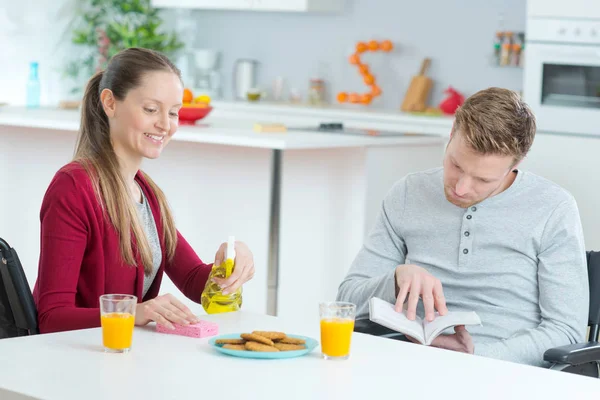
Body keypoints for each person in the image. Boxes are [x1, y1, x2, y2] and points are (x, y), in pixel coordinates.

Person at [337, 87, 589, 367]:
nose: (460, 188)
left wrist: (475, 359)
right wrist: (394, 281)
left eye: (482, 180)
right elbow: (346, 302)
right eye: (455, 165)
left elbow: (566, 331)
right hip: (411, 365)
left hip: (505, 375)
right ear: (451, 133)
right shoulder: (408, 193)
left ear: (516, 164)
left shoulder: (554, 208)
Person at [33, 48, 255, 334]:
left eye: (174, 112)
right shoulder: (74, 188)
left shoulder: (146, 192)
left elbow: (193, 281)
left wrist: (232, 265)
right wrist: (132, 312)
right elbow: (52, 318)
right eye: (151, 109)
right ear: (110, 103)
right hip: (76, 361)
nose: (165, 124)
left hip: (123, 357)